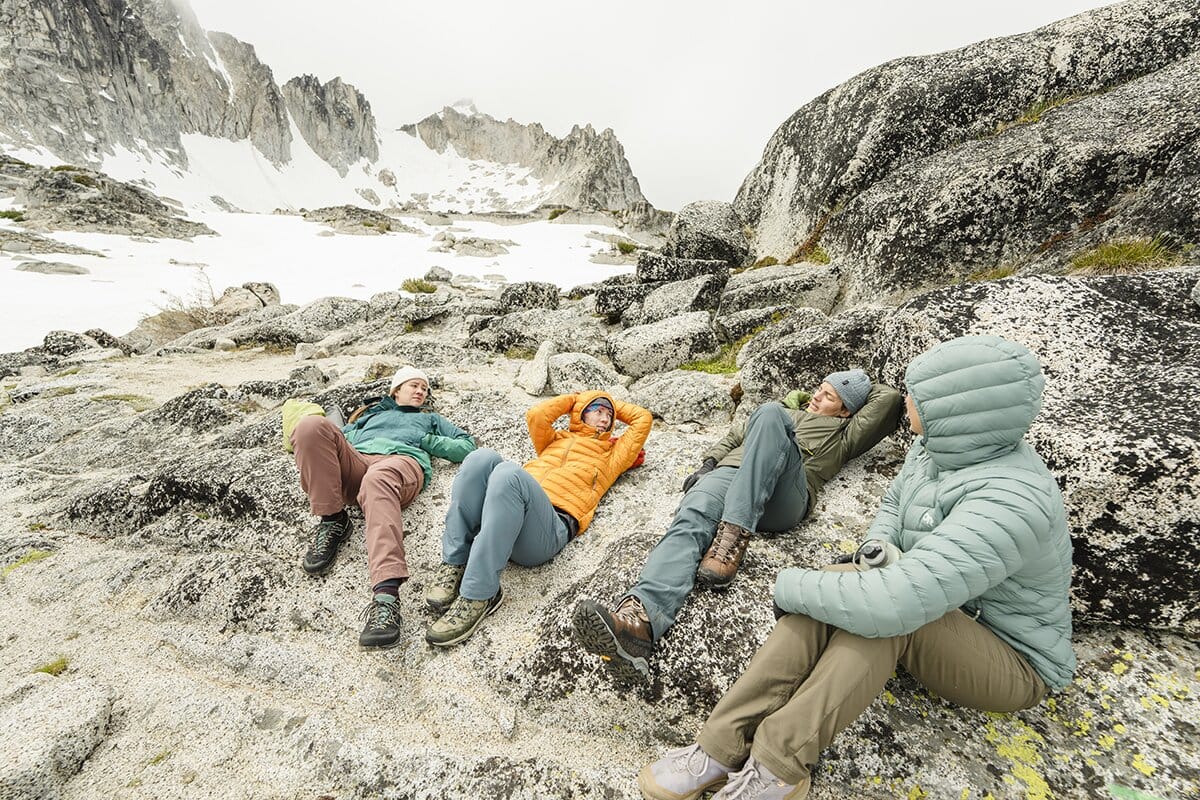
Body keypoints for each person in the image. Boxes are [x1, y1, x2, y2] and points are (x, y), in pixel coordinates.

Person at [636, 335, 1075, 800]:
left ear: (955, 408)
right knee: (846, 597)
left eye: (918, 394)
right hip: (934, 598)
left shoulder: (1012, 499)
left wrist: (789, 584)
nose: (907, 400)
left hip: (1009, 658)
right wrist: (878, 550)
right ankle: (719, 745)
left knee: (879, 618)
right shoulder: (935, 450)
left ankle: (777, 765)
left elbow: (897, 605)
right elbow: (892, 505)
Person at [573, 369, 903, 681]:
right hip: (730, 474)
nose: (816, 397)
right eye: (818, 389)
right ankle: (639, 624)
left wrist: (852, 387)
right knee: (690, 521)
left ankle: (733, 537)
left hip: (784, 492)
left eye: (829, 396)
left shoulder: (844, 433)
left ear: (847, 411)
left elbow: (888, 400)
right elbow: (733, 437)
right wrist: (708, 464)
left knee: (771, 414)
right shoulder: (774, 412)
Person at [424, 390, 652, 647]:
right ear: (580, 414)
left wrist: (605, 401)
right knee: (481, 457)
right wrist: (576, 399)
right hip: (505, 515)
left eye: (610, 416)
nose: (605, 418)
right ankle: (455, 562)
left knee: (509, 473)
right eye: (597, 411)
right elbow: (536, 415)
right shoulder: (554, 440)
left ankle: (479, 594)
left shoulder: (613, 456)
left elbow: (642, 418)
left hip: (547, 530)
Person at [288, 365, 475, 650]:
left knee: (377, 480)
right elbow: (334, 439)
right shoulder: (370, 417)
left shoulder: (431, 419)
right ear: (395, 390)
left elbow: (466, 445)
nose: (420, 391)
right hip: (359, 461)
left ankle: (386, 598)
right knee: (310, 427)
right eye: (413, 385)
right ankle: (333, 519)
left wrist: (427, 441)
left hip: (400, 464)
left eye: (424, 389)